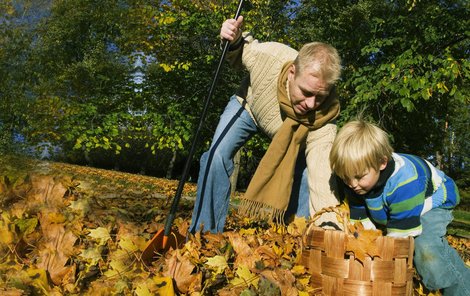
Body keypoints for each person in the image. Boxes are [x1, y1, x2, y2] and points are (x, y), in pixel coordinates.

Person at [189, 15, 342, 233]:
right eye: (306, 92)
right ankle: (204, 232)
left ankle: (297, 236)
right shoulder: (268, 57)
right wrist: (231, 37)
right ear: (291, 73)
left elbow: (322, 174)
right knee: (216, 156)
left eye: (320, 97)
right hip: (249, 107)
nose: (311, 104)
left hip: (295, 135)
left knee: (308, 175)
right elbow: (239, 50)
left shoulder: (324, 117)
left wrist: (330, 224)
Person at [329, 119, 469, 296]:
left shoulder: (405, 182)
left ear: (382, 163)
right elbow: (361, 223)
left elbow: (399, 240)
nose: (352, 184)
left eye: (358, 177)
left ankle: (461, 289)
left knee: (426, 248)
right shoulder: (354, 179)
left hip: (432, 201)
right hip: (396, 205)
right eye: (345, 177)